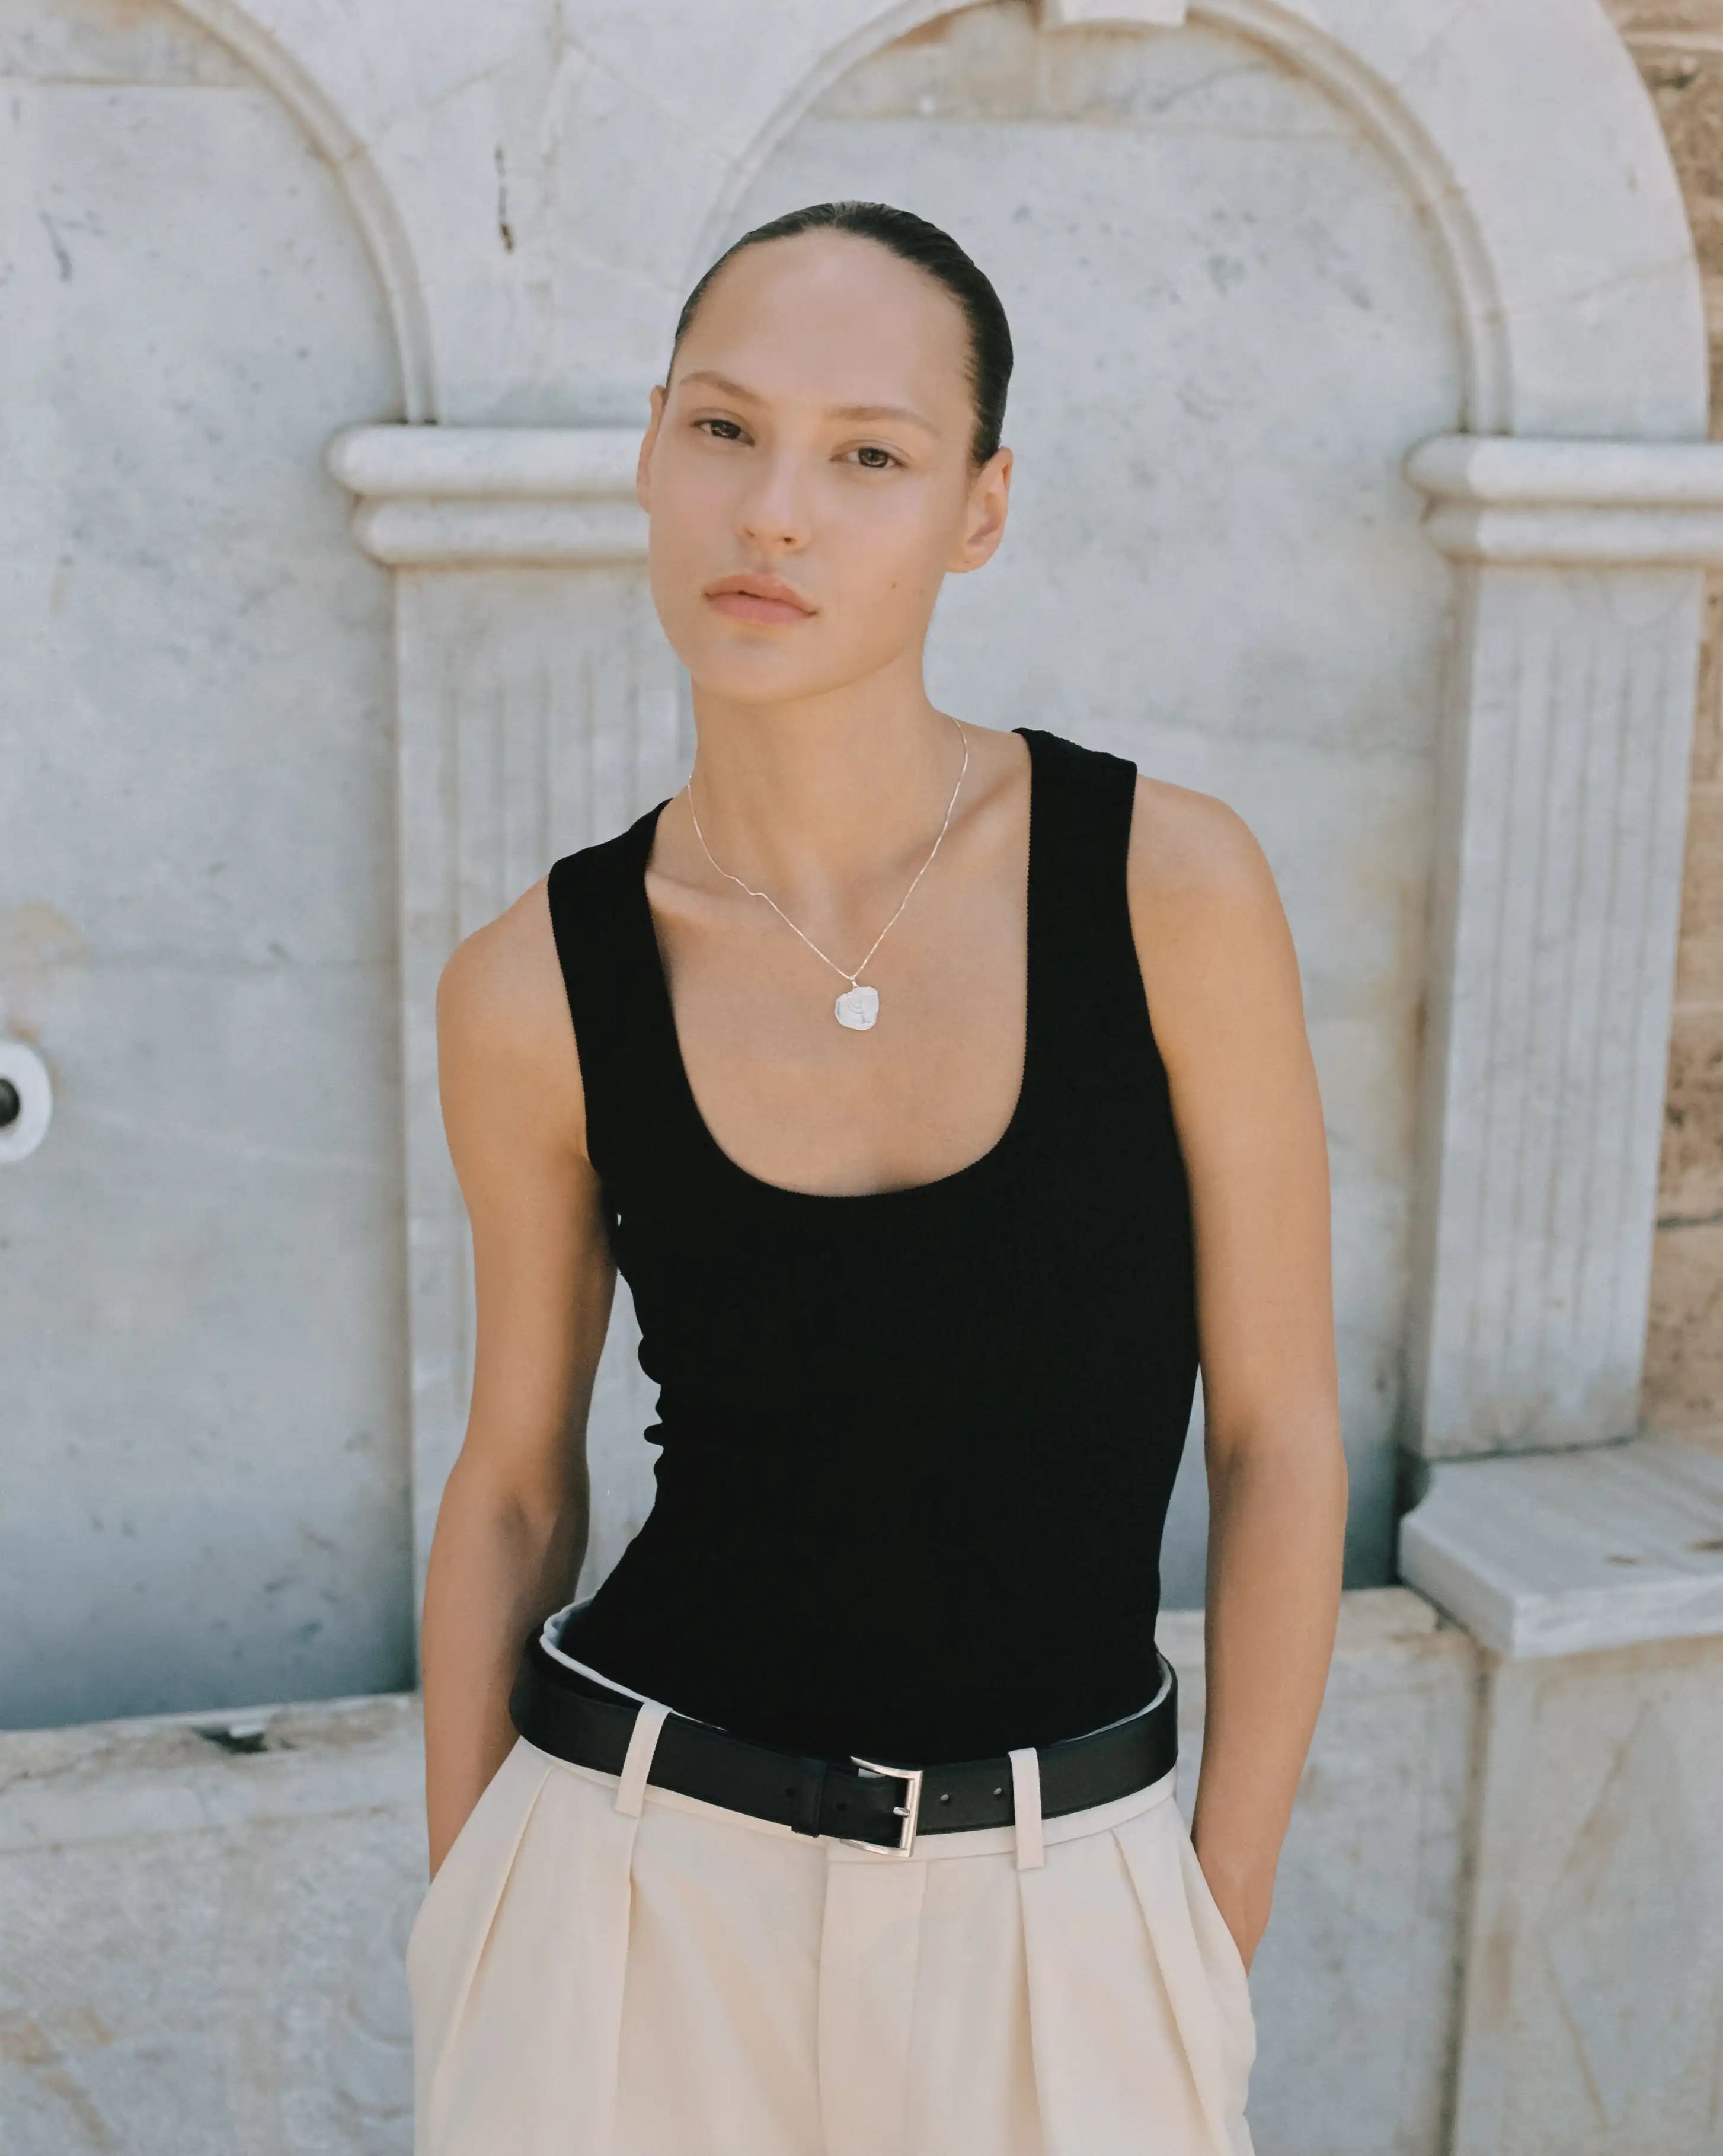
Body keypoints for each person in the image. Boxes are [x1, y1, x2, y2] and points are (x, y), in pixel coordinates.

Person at [408, 199, 1347, 2156]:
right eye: (723, 430)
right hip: (626, 1894)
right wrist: (469, 1924)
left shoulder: (1168, 888)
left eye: (867, 456)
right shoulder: (531, 988)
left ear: (977, 511)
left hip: (1062, 1910)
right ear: (649, 450)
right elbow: (512, 1484)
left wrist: (1209, 1925)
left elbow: (1276, 1436)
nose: (774, 514)